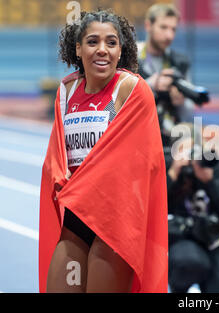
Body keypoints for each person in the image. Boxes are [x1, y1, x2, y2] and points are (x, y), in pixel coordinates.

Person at [39, 10, 167, 293]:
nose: (102, 50)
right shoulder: (67, 91)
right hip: (75, 221)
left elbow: (146, 161)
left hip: (114, 225)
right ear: (78, 48)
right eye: (93, 41)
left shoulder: (131, 90)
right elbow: (56, 155)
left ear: (121, 50)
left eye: (111, 43)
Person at [166, 130, 219, 293]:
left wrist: (209, 183)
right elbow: (156, 205)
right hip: (182, 236)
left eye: (194, 150)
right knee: (191, 262)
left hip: (213, 237)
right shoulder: (170, 170)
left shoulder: (215, 169)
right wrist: (173, 173)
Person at [137, 3, 193, 147]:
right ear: (148, 25)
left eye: (173, 29)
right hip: (138, 133)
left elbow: (187, 112)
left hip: (169, 137)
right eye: (163, 27)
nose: (169, 35)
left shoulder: (180, 62)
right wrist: (151, 85)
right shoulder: (130, 57)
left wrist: (180, 101)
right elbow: (118, 98)